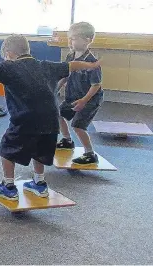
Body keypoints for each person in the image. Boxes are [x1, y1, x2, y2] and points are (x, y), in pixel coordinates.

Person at [0, 35, 101, 200]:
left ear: (9, 53)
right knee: (40, 150)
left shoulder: (9, 67)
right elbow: (72, 65)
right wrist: (91, 65)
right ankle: (39, 184)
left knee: (7, 148)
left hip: (26, 119)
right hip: (51, 119)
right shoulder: (46, 66)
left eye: (5, 55)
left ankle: (8, 186)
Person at [55, 22, 103, 165]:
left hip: (90, 100)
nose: (70, 41)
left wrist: (83, 100)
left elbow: (96, 85)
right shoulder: (70, 57)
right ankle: (67, 140)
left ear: (87, 40)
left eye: (74, 38)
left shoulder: (92, 62)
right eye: (70, 38)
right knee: (58, 113)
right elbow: (64, 76)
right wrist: (55, 89)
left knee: (78, 126)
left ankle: (90, 154)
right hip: (72, 97)